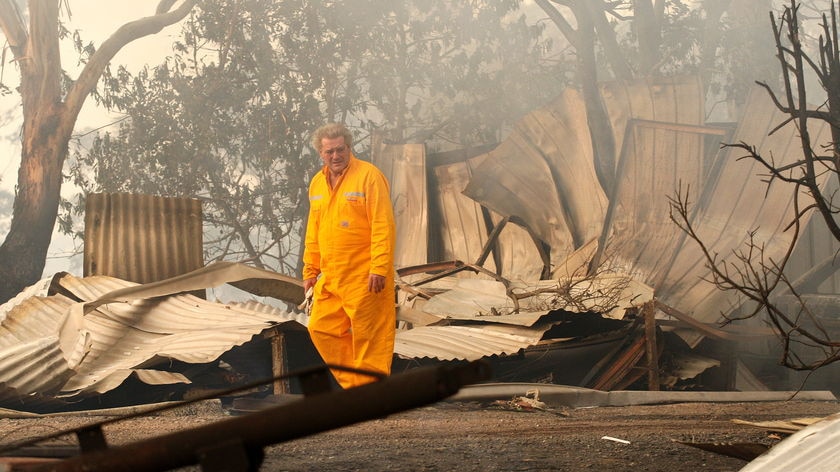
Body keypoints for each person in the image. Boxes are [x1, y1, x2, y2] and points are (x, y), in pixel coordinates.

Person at [302, 123, 397, 389]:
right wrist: (310, 270)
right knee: (321, 328)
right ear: (320, 153)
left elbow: (383, 225)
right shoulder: (317, 183)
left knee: (371, 337)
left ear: (349, 147)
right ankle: (358, 388)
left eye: (340, 149)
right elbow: (314, 230)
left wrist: (379, 268)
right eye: (329, 151)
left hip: (366, 275)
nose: (336, 156)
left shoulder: (369, 176)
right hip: (331, 276)